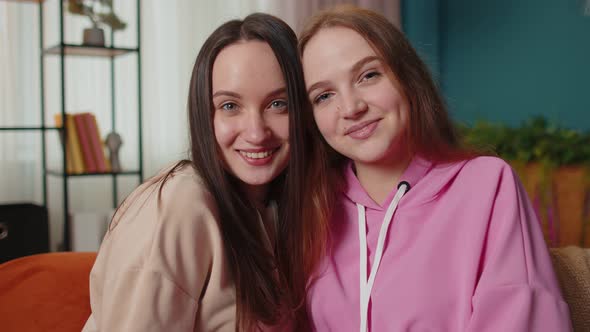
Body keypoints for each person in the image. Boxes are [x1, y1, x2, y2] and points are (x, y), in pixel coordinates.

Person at [298, 5, 572, 332]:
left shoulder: (486, 184)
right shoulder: (309, 208)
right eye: (323, 96)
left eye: (368, 75)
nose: (351, 107)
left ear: (407, 78)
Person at [82, 13, 323, 331]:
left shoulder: (280, 207)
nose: (256, 132)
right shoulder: (180, 202)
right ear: (202, 114)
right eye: (229, 106)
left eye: (278, 104)